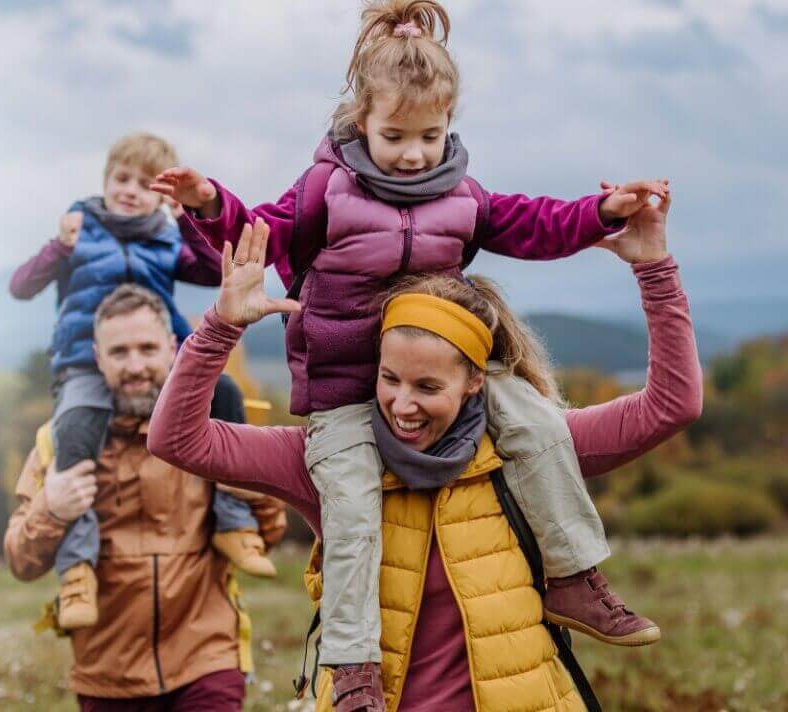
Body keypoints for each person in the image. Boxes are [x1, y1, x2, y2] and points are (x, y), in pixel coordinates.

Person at [149, 0, 670, 699]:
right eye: (395, 135)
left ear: (450, 124)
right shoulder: (324, 192)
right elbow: (258, 237)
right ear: (359, 121)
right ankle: (356, 667)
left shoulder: (462, 194)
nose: (415, 152)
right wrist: (209, 203)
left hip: (445, 368)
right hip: (344, 394)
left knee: (541, 424)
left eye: (432, 134)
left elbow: (535, 223)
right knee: (355, 514)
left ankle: (573, 576)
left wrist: (602, 214)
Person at [147, 192, 699, 711]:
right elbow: (177, 438)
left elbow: (671, 405)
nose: (402, 405)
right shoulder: (331, 459)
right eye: (390, 379)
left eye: (428, 388)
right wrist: (220, 327)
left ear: (474, 382)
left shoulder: (533, 448)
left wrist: (653, 268)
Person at [10, 132, 275, 630]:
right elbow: (21, 286)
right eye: (122, 179)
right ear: (106, 180)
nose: (131, 191)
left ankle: (233, 521)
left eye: (145, 185)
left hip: (162, 355)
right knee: (75, 434)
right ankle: (78, 570)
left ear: (163, 198)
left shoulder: (164, 236)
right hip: (85, 359)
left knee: (227, 395)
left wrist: (192, 226)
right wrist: (56, 247)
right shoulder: (80, 230)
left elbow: (209, 269)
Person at [4, 284, 288, 711]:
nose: (135, 366)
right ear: (98, 358)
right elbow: (20, 561)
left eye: (146, 349)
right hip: (108, 676)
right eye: (119, 352)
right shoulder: (57, 444)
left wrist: (256, 493)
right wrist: (52, 509)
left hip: (207, 662)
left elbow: (270, 534)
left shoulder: (211, 432)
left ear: (172, 348)